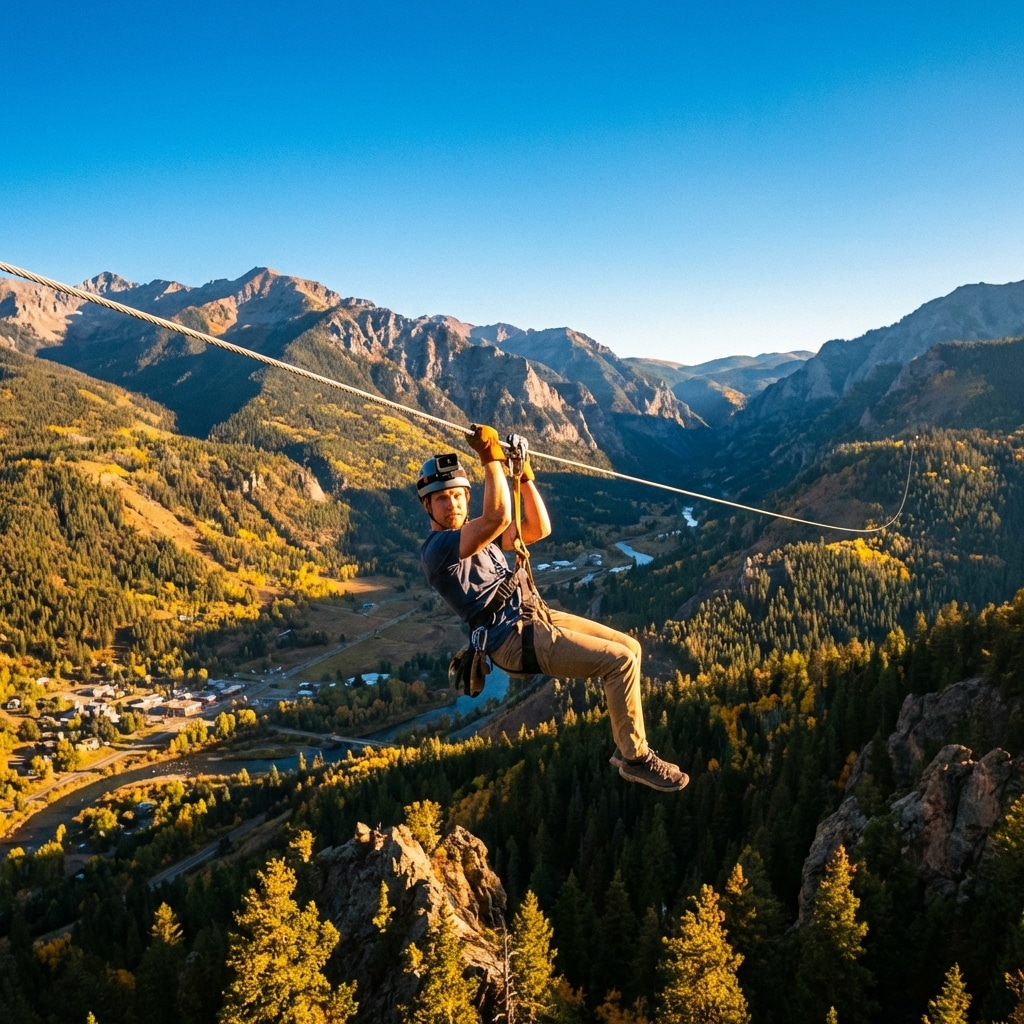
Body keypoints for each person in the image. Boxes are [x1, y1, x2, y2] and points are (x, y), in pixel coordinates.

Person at [418, 423, 688, 793]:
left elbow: (539, 527)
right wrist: (490, 457)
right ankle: (635, 757)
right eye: (442, 499)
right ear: (427, 505)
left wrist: (523, 474)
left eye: (458, 496)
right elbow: (497, 517)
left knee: (632, 649)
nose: (453, 505)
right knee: (619, 663)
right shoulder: (438, 550)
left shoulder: (479, 535)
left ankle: (627, 748)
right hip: (514, 640)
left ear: (467, 498)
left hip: (535, 617)